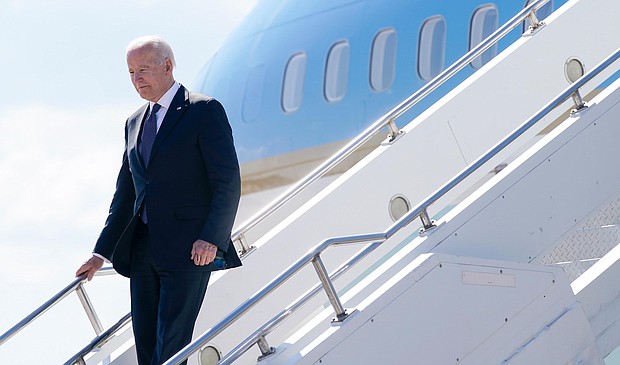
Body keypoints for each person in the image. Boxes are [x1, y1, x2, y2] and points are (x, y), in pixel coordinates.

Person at [75, 35, 242, 365]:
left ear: (167, 66)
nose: (137, 80)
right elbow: (126, 194)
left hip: (190, 249)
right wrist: (100, 253)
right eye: (131, 72)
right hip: (143, 250)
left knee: (172, 345)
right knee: (147, 348)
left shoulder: (203, 110)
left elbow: (227, 181)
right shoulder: (134, 121)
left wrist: (211, 238)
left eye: (144, 70)